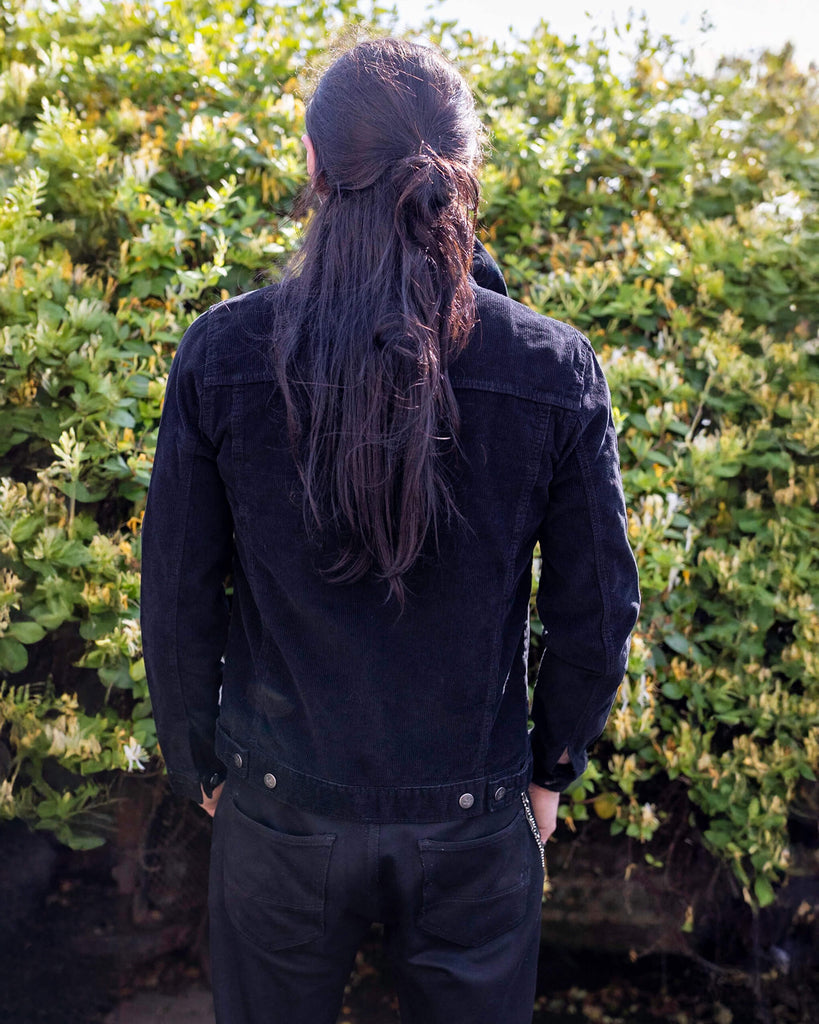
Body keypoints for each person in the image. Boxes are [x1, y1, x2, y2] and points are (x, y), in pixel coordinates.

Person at [140, 36, 639, 1024]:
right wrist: (552, 768)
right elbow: (598, 607)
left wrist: (199, 763)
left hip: (278, 814)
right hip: (472, 822)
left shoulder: (222, 353)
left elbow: (177, 591)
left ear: (314, 164)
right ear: (463, 173)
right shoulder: (552, 366)